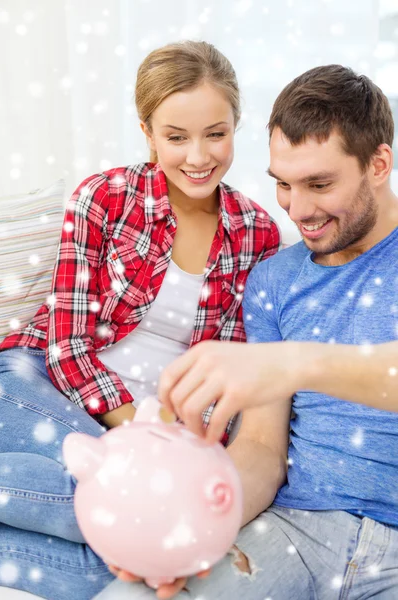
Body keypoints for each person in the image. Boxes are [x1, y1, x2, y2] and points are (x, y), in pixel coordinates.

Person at [0, 41, 279, 599]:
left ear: (236, 126)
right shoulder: (104, 198)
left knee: (138, 549)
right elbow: (66, 347)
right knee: (150, 521)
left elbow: (226, 372)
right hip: (39, 384)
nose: (198, 156)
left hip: (158, 434)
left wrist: (176, 441)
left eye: (215, 134)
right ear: (148, 132)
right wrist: (142, 439)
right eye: (176, 137)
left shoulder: (257, 232)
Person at [149, 65, 398, 599]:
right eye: (283, 184)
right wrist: (199, 522)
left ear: (378, 163)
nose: (298, 210)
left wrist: (296, 362)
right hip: (297, 532)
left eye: (319, 184)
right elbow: (262, 446)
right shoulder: (274, 280)